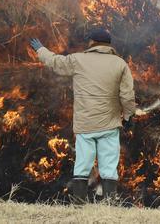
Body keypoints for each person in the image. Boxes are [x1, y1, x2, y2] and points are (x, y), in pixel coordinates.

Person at [29, 28, 136, 203]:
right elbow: (127, 95)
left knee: (82, 165)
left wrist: (41, 49)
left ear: (92, 42)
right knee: (109, 166)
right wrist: (128, 117)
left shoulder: (78, 59)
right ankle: (109, 204)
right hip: (109, 125)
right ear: (108, 44)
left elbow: (55, 62)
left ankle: (79, 205)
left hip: (85, 126)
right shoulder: (120, 64)